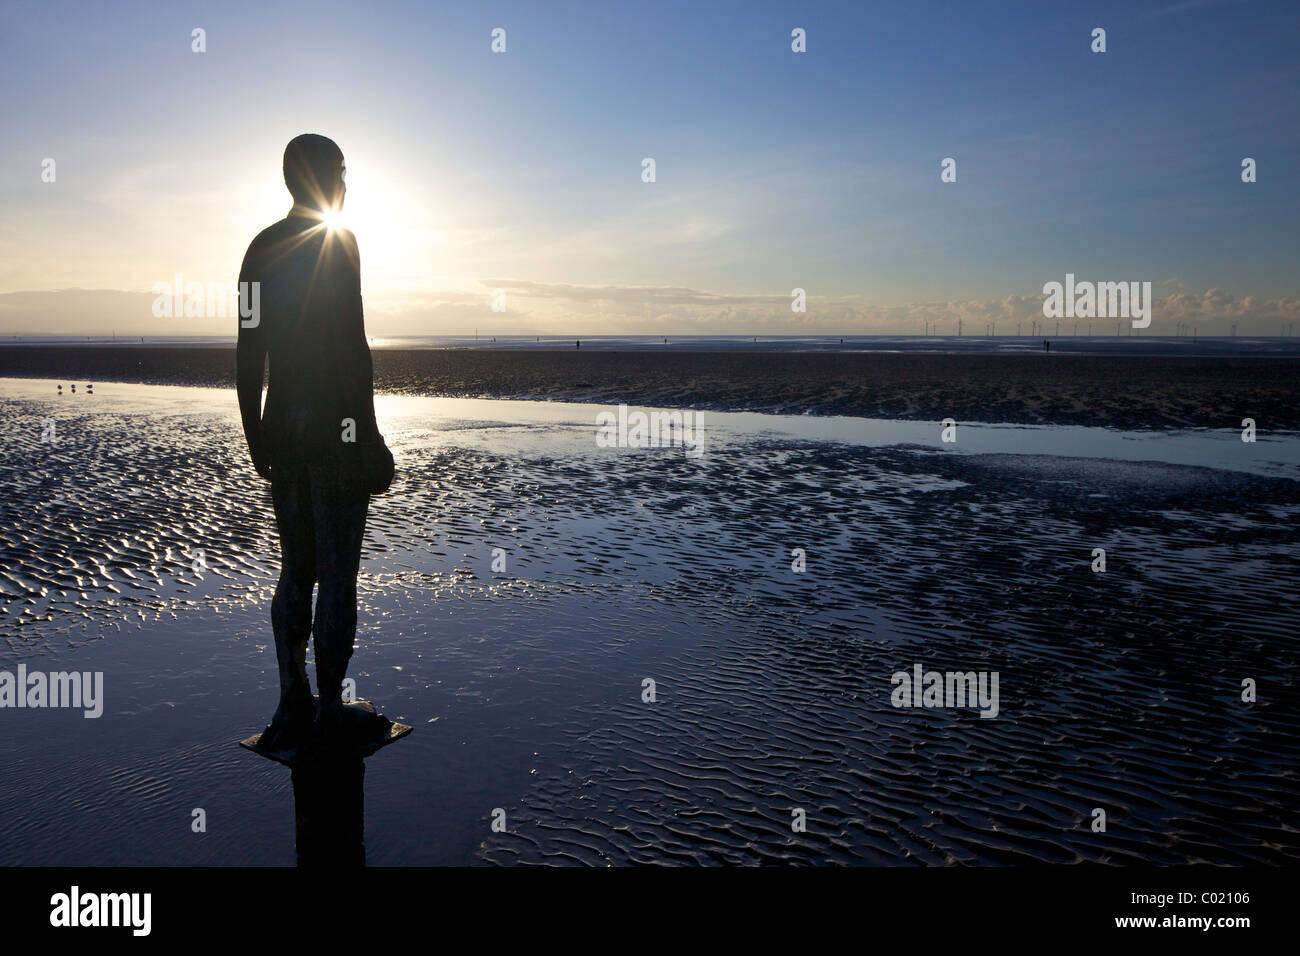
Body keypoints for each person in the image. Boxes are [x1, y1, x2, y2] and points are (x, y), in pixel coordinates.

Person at [237, 133, 385, 753]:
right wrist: (370, 434)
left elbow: (249, 349)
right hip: (333, 428)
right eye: (342, 172)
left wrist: (255, 430)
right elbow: (353, 347)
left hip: (284, 424)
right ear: (323, 179)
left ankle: (290, 698)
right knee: (337, 575)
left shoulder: (260, 249)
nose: (346, 184)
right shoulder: (339, 243)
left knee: (295, 570)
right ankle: (327, 711)